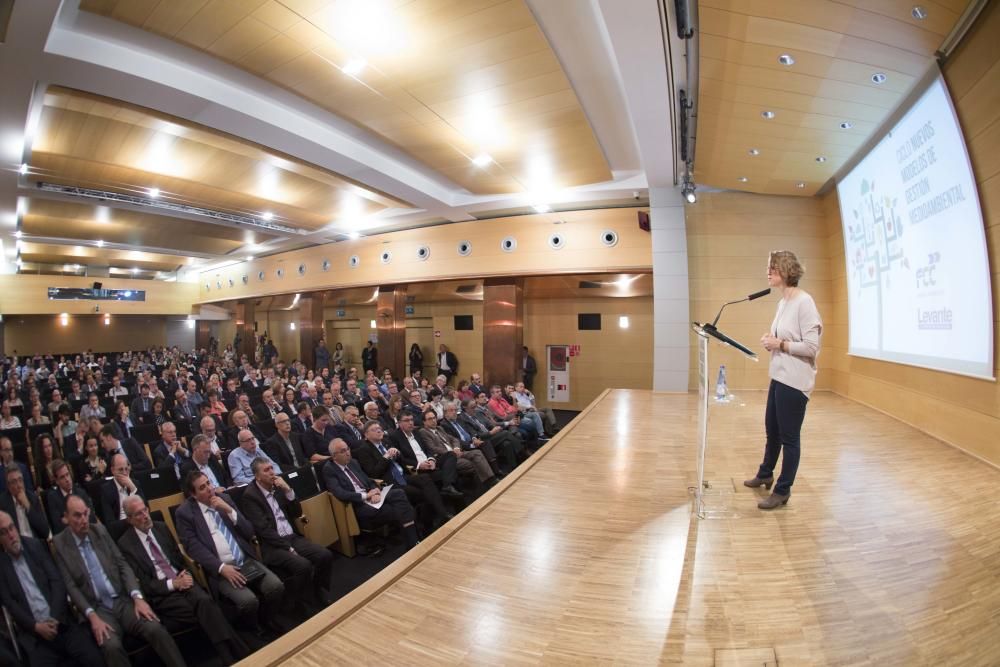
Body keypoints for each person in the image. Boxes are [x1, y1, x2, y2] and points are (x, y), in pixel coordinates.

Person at [52, 495, 186, 667]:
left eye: (85, 513)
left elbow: (122, 564)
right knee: (111, 647)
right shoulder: (60, 544)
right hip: (98, 609)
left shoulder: (99, 531)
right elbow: (71, 587)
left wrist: (137, 598)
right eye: (77, 515)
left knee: (155, 628)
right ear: (66, 517)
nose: (84, 519)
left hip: (123, 600)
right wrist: (92, 616)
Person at [118, 496, 246, 665]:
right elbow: (144, 583)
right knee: (205, 607)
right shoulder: (125, 544)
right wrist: (173, 584)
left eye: (145, 510)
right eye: (138, 514)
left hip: (182, 580)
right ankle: (236, 652)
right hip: (163, 593)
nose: (145, 516)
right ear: (129, 520)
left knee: (205, 600)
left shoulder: (161, 528)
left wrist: (185, 575)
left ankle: (228, 656)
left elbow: (178, 559)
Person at [744, 250, 823, 510]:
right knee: (772, 431)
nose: (768, 272)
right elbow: (784, 338)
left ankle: (783, 490)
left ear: (786, 270)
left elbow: (811, 347)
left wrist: (781, 343)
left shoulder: (805, 302)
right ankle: (766, 472)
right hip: (778, 376)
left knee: (789, 438)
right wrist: (772, 341)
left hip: (795, 381)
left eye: (773, 268)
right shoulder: (782, 303)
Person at [175, 471, 285, 633]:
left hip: (245, 559)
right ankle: (254, 629)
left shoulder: (224, 499)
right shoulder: (184, 513)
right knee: (248, 601)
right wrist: (221, 568)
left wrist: (228, 510)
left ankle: (267, 619)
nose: (209, 489)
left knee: (276, 586)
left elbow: (248, 532)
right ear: (193, 494)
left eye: (209, 483)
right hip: (221, 569)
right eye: (202, 488)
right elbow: (193, 547)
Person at [0, 510, 105, 667]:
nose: (11, 535)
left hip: (61, 624)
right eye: (4, 532)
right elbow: (10, 603)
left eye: (11, 528)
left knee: (94, 659)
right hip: (35, 636)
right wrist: (36, 627)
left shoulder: (35, 546)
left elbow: (57, 582)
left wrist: (54, 619)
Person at [238, 459, 334, 613]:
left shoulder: (278, 487)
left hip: (291, 537)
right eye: (266, 470)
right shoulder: (250, 497)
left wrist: (288, 491)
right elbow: (264, 530)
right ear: (257, 476)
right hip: (272, 545)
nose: (271, 472)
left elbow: (296, 513)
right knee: (303, 565)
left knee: (325, 555)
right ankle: (296, 603)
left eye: (271, 468)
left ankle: (318, 591)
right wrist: (288, 548)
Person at [323, 438, 420, 549]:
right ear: (334, 456)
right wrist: (366, 496)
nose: (348, 453)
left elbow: (369, 481)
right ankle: (414, 541)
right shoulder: (329, 469)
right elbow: (340, 493)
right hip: (358, 504)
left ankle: (413, 542)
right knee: (403, 508)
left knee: (399, 493)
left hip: (372, 497)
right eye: (343, 451)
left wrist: (375, 491)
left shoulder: (353, 462)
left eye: (348, 449)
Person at [46, 459, 96, 535]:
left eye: (67, 474)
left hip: (88, 533)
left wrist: (68, 520)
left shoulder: (81, 492)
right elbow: (58, 527)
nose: (67, 479)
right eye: (62, 477)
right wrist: (83, 520)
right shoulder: (53, 498)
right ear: (56, 481)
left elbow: (92, 518)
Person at [0, 467, 49, 539]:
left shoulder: (33, 498)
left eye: (20, 480)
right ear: (8, 486)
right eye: (14, 482)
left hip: (36, 544)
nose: (19, 485)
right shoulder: (2, 502)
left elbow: (45, 532)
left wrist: (28, 506)